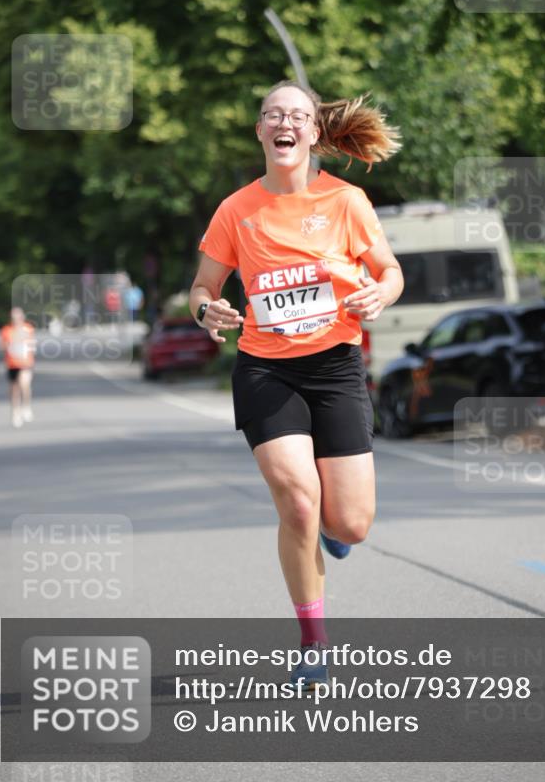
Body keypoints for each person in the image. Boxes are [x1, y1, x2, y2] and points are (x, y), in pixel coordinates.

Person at [189, 80, 404, 689]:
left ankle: (336, 536)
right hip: (266, 368)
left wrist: (379, 294)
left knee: (351, 523)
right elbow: (202, 288)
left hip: (335, 367)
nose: (284, 123)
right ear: (260, 131)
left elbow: (390, 272)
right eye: (272, 115)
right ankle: (313, 642)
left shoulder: (347, 201)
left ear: (313, 134)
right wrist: (208, 311)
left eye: (297, 116)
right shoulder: (236, 209)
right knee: (299, 503)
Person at [0, 307, 36, 428]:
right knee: (14, 390)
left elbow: (31, 345)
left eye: (18, 317)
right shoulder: (6, 330)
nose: (15, 319)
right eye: (13, 317)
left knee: (24, 384)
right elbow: (2, 347)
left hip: (25, 363)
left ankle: (26, 406)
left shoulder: (28, 329)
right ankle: (16, 412)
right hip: (12, 363)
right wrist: (9, 345)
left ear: (22, 317)